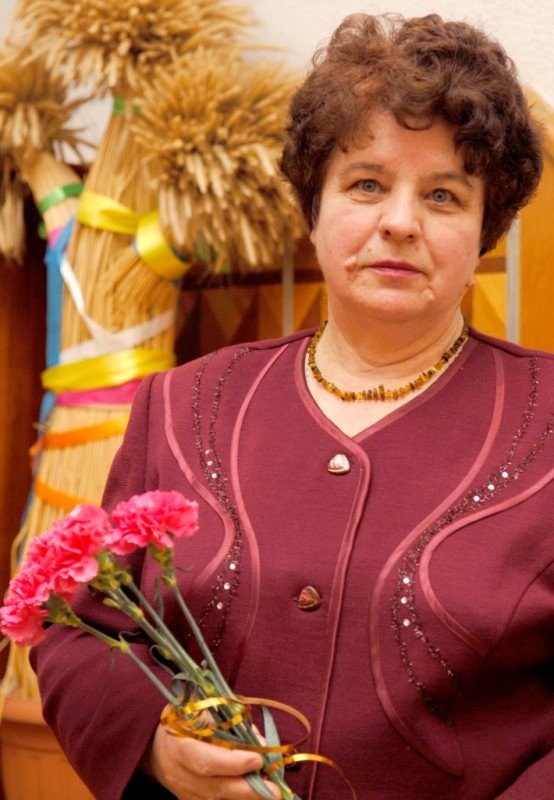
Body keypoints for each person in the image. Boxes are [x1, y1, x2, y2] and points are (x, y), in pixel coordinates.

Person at [32, 12, 553, 800]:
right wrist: (154, 746)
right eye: (366, 184)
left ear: (487, 228)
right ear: (314, 208)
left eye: (444, 195)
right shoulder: (182, 403)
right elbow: (83, 635)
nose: (400, 222)